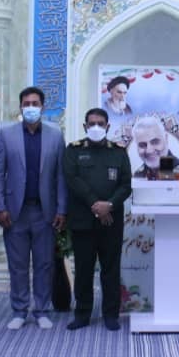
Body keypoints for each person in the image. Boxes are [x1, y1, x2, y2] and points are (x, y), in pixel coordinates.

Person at [0, 86, 67, 330]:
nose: (31, 108)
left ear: (43, 107)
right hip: (15, 212)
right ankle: (19, 310)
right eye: (26, 104)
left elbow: (60, 176)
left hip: (45, 212)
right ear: (20, 107)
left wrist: (61, 209)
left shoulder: (56, 135)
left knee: (44, 264)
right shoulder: (6, 135)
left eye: (35, 103)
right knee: (18, 265)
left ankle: (42, 310)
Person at [63, 108, 132, 331]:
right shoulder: (73, 150)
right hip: (83, 220)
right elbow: (72, 179)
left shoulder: (119, 152)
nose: (96, 127)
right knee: (83, 269)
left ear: (108, 127)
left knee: (110, 269)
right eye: (91, 123)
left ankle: (111, 314)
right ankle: (82, 314)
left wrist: (108, 205)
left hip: (111, 220)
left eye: (100, 123)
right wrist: (96, 204)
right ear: (85, 126)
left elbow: (126, 185)